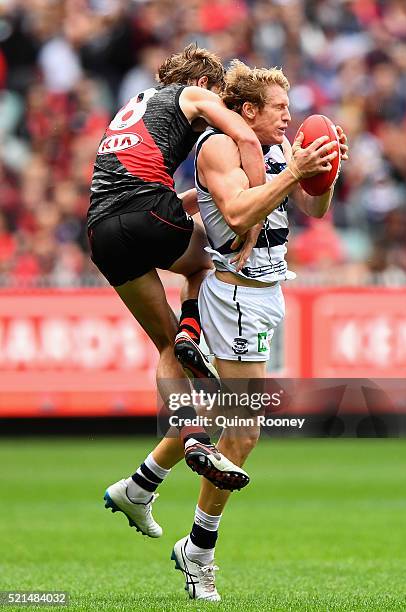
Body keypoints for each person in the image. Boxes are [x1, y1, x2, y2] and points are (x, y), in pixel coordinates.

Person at [170, 60, 349, 601]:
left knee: (230, 424)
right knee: (243, 431)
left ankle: (143, 484)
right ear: (247, 111)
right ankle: (198, 552)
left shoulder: (272, 152)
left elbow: (314, 207)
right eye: (279, 109)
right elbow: (240, 213)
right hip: (237, 295)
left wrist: (325, 168)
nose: (289, 118)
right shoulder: (222, 147)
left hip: (267, 296)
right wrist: (295, 171)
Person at [87, 45, 266, 538]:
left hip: (101, 229)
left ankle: (187, 427)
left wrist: (190, 201)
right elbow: (246, 135)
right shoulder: (193, 94)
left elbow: (146, 188)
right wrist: (257, 205)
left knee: (163, 344)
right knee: (212, 251)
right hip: (147, 209)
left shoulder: (135, 103)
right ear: (206, 84)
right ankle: (192, 324)